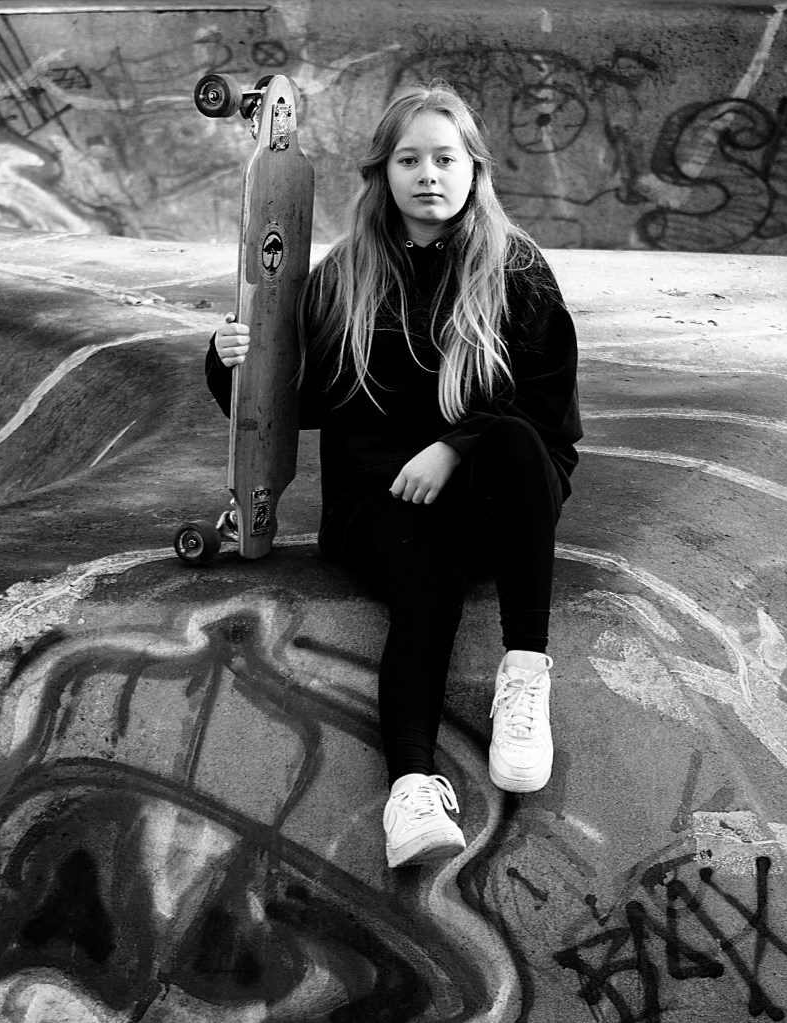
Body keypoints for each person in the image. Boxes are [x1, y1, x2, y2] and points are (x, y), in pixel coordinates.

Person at [205, 81, 582, 869]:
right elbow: (300, 403)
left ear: (475, 169)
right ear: (381, 174)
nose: (427, 175)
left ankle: (523, 673)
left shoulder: (514, 267)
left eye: (444, 158)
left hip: (498, 492)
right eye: (408, 160)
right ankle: (410, 788)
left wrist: (454, 447)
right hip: (380, 500)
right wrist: (230, 361)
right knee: (424, 583)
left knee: (511, 437)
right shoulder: (344, 275)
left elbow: (547, 409)